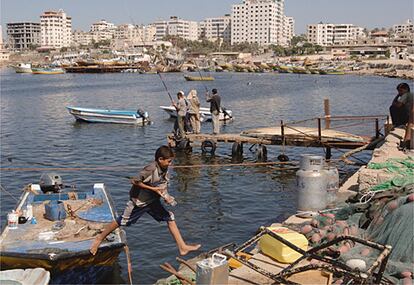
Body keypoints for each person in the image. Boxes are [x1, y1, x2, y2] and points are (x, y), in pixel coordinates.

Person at [90, 146, 201, 256]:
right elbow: (135, 181)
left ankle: (182, 247)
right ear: (160, 159)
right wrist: (153, 189)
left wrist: (166, 197)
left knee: (170, 217)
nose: (170, 164)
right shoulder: (151, 169)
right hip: (139, 202)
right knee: (122, 221)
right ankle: (99, 238)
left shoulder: (165, 169)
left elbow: (162, 186)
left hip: (152, 200)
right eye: (169, 161)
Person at [389, 83, 413, 149]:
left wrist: (397, 97)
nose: (399, 93)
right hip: (410, 115)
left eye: (400, 91)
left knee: (392, 108)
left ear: (406, 89)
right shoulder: (411, 94)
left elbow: (397, 105)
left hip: (407, 115)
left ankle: (398, 124)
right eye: (398, 91)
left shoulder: (405, 95)